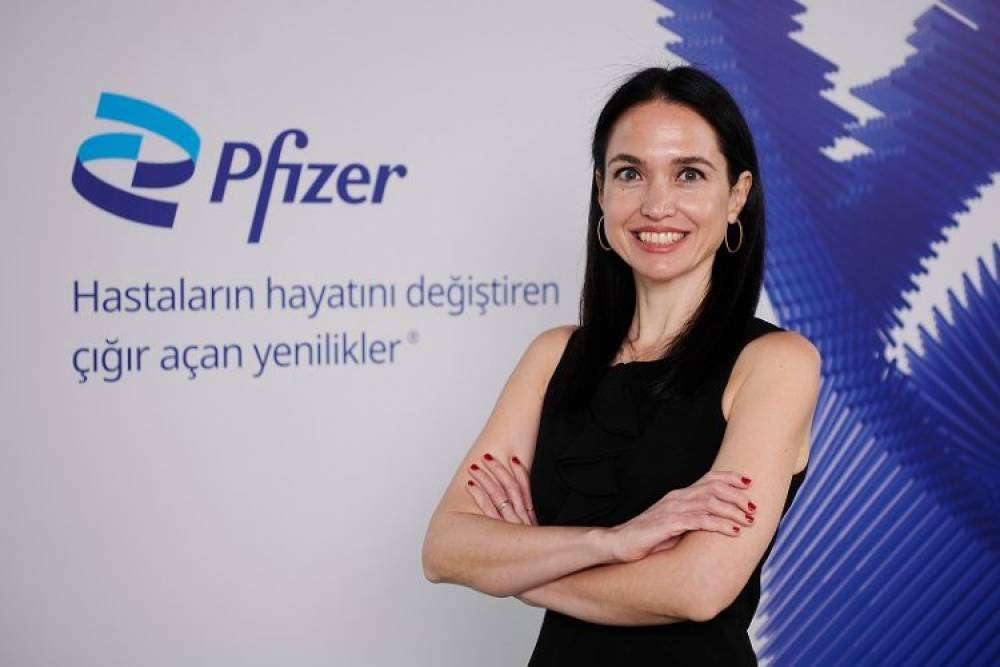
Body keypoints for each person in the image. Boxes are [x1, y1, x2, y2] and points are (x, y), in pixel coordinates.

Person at [421, 65, 820, 665]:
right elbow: (445, 549)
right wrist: (611, 543)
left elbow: (698, 588)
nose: (657, 205)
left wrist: (519, 570)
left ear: (736, 196)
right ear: (602, 192)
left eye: (689, 174)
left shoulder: (775, 363)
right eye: (630, 173)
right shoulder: (553, 356)